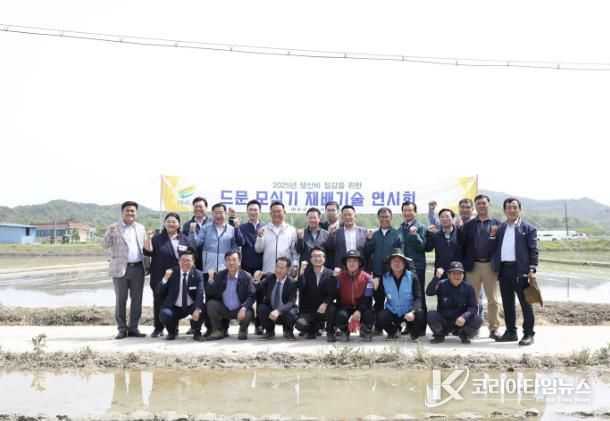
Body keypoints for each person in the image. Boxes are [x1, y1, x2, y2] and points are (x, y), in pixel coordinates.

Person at [491, 198, 539, 346]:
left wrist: (532, 269)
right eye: (508, 208)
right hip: (504, 270)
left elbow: (533, 250)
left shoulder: (528, 228)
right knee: (507, 303)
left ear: (520, 210)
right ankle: (511, 332)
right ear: (504, 210)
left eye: (514, 207)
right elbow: (494, 247)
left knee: (526, 303)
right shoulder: (501, 228)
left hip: (521, 271)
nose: (511, 210)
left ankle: (528, 334)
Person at [459, 194, 502, 339]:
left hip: (490, 265)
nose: (481, 206)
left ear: (488, 205)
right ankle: (471, 328)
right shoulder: (468, 226)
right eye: (479, 204)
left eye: (484, 203)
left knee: (493, 300)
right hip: (473, 266)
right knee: (472, 300)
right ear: (475, 207)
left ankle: (494, 328)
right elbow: (462, 247)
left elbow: (500, 246)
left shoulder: (497, 224)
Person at [103, 201, 148, 339]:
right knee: (121, 299)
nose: (130, 213)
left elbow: (145, 247)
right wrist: (109, 233)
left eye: (132, 211)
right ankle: (122, 329)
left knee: (137, 300)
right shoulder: (114, 227)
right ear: (122, 212)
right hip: (120, 268)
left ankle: (134, 328)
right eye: (127, 210)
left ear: (136, 213)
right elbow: (105, 245)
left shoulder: (141, 228)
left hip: (138, 268)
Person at [143, 212, 189, 338]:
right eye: (168, 221)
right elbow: (148, 252)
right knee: (158, 301)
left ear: (178, 224)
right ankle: (158, 328)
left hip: (178, 276)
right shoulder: (157, 238)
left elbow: (190, 255)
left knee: (174, 301)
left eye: (174, 221)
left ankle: (174, 328)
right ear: (164, 223)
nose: (171, 224)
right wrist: (148, 238)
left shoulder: (184, 239)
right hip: (159, 275)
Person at [363, 207, 402, 333]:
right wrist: (369, 240)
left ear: (391, 218)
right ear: (378, 218)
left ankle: (396, 327)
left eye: (387, 217)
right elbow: (367, 252)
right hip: (378, 274)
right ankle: (378, 327)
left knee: (394, 301)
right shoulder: (374, 235)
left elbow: (400, 254)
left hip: (392, 274)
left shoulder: (397, 234)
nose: (384, 219)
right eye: (382, 217)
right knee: (378, 301)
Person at [375, 249, 426, 340]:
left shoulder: (412, 276)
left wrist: (412, 311)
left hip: (409, 312)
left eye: (399, 261)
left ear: (404, 263)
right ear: (390, 264)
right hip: (393, 311)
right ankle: (394, 331)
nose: (397, 263)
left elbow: (418, 298)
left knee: (420, 314)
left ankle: (413, 331)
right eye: (394, 261)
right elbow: (379, 298)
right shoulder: (384, 277)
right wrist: (374, 288)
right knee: (381, 316)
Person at [205, 250, 256, 340]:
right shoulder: (220, 275)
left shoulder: (246, 276)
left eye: (234, 260)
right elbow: (210, 293)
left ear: (239, 262)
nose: (231, 263)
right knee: (211, 304)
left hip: (239, 309)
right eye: (228, 260)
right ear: (225, 262)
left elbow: (252, 295)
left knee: (248, 312)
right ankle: (217, 330)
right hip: (224, 308)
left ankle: (243, 330)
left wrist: (244, 307)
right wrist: (210, 279)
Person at [426, 262, 482, 344]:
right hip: (444, 321)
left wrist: (464, 317)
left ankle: (464, 334)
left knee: (477, 320)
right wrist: (436, 277)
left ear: (463, 275)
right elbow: (429, 292)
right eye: (454, 273)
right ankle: (439, 335)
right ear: (448, 275)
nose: (457, 276)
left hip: (461, 323)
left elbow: (473, 307)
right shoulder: (441, 284)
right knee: (431, 315)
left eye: (460, 273)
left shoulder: (469, 288)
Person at [327, 250, 375, 342]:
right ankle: (344, 331)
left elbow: (367, 298)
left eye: (355, 261)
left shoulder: (367, 278)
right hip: (345, 306)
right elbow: (333, 294)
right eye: (349, 261)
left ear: (359, 263)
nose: (352, 263)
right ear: (345, 263)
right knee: (341, 315)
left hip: (362, 306)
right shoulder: (340, 277)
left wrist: (359, 311)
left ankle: (365, 330)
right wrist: (333, 278)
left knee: (369, 314)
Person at [158, 249, 205, 341]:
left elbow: (200, 293)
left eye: (188, 260)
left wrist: (197, 309)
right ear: (179, 261)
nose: (185, 263)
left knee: (202, 309)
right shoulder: (172, 273)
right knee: (165, 314)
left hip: (191, 305)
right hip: (175, 306)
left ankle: (197, 332)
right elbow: (159, 291)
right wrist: (165, 278)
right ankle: (172, 332)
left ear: (193, 262)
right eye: (183, 260)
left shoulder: (198, 274)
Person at [234, 199, 265, 335]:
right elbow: (240, 242)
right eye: (250, 210)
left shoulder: (265, 227)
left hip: (262, 267)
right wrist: (236, 228)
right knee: (245, 296)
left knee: (261, 297)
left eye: (255, 210)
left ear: (260, 212)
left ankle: (259, 325)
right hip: (246, 267)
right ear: (247, 211)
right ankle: (244, 325)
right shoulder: (242, 227)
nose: (253, 212)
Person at [294, 247, 336, 340]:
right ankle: (313, 329)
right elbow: (301, 288)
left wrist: (325, 303)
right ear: (310, 259)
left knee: (332, 308)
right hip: (309, 310)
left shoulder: (331, 273)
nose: (317, 258)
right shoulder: (305, 273)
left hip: (324, 308)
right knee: (300, 324)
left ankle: (330, 331)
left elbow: (332, 293)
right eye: (314, 256)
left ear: (324, 258)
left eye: (319, 256)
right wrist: (301, 273)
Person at [188, 203, 241, 275]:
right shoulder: (205, 228)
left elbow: (236, 247)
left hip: (225, 269)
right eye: (216, 213)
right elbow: (196, 244)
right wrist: (192, 232)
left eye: (221, 212)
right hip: (209, 269)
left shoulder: (232, 229)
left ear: (225, 213)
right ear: (212, 214)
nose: (218, 215)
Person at [255, 257, 299, 340]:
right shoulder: (270, 278)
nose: (278, 270)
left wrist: (279, 311)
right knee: (262, 308)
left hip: (285, 311)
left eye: (282, 268)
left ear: (288, 270)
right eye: (277, 267)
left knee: (292, 313)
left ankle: (288, 331)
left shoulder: (292, 283)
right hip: (271, 310)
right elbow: (258, 288)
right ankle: (269, 332)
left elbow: (291, 302)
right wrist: (256, 280)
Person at [398, 201, 428, 311]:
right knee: (406, 294)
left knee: (419, 294)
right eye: (405, 210)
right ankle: (409, 320)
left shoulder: (421, 227)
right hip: (403, 266)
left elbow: (423, 247)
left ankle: (421, 320)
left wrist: (415, 235)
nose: (407, 213)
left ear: (415, 212)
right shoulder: (401, 227)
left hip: (417, 266)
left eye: (410, 210)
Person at [254, 201, 299, 273]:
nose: (276, 214)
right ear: (270, 214)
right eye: (274, 212)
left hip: (285, 271)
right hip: (268, 270)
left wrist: (295, 265)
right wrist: (260, 237)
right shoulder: (264, 229)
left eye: (279, 211)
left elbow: (295, 252)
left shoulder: (291, 230)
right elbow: (258, 250)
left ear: (284, 212)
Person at [325, 205, 368, 271]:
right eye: (345, 215)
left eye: (350, 215)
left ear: (355, 216)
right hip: (341, 269)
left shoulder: (364, 232)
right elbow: (329, 248)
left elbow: (368, 251)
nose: (347, 217)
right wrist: (330, 235)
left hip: (360, 269)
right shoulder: (336, 233)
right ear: (341, 217)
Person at [425, 208, 462, 273]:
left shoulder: (460, 233)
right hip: (440, 271)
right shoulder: (435, 235)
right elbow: (428, 248)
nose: (444, 219)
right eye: (442, 217)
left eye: (447, 216)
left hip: (457, 271)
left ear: (453, 218)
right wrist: (428, 234)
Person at [182, 197, 209, 271]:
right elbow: (185, 244)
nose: (198, 209)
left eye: (200, 206)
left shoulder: (212, 223)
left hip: (209, 262)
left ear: (206, 208)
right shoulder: (187, 225)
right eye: (196, 207)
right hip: (193, 263)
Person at [319, 201, 341, 269]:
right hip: (324, 265)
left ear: (338, 212)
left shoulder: (344, 226)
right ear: (325, 212)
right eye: (328, 210)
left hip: (341, 264)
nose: (330, 212)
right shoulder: (320, 226)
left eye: (333, 210)